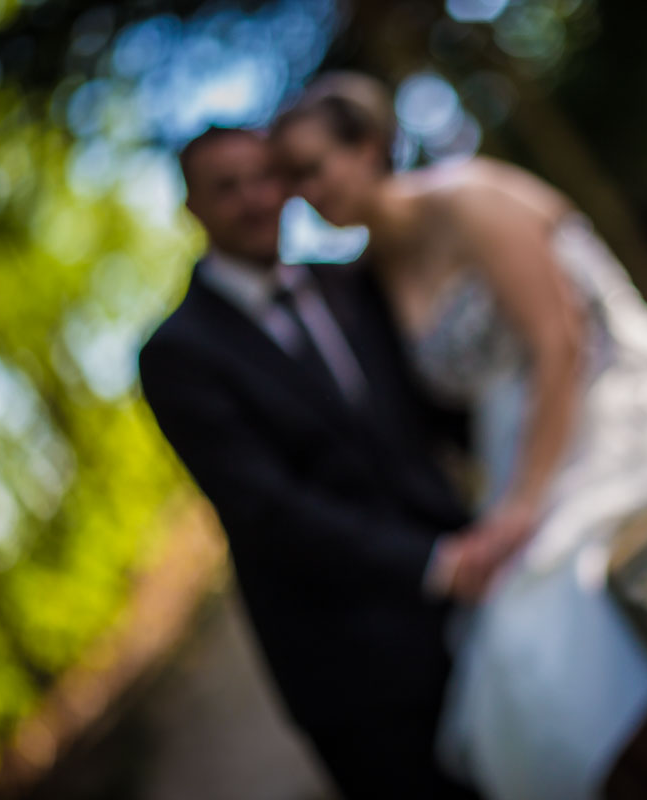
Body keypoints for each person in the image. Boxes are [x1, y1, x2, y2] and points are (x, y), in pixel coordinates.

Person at [271, 72, 647, 800]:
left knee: (548, 623)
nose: (306, 192)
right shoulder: (371, 274)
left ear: (368, 147)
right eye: (293, 180)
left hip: (612, 406)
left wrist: (523, 506)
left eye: (314, 168)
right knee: (509, 660)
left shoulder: (471, 197)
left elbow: (560, 344)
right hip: (517, 459)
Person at [138, 126, 477, 798]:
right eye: (226, 188)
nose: (254, 199)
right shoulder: (176, 353)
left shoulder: (353, 280)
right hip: (354, 670)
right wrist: (433, 564)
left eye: (264, 177)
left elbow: (433, 413)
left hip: (471, 605)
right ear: (192, 210)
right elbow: (267, 510)